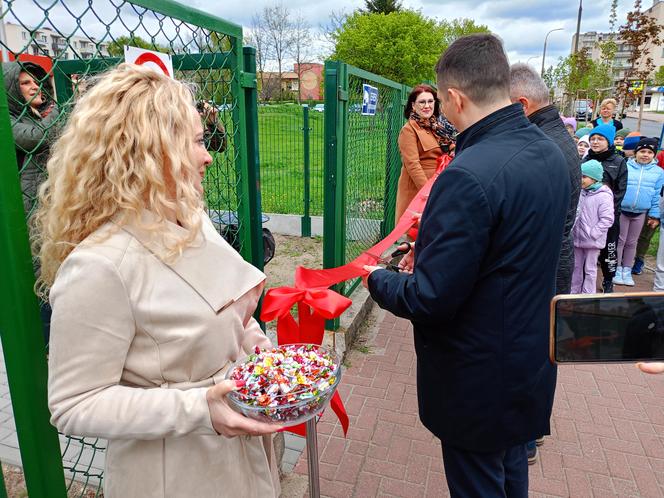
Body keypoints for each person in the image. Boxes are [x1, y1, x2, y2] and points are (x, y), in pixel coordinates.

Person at [33, 64, 281, 498]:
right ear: (147, 152)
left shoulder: (189, 220)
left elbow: (230, 311)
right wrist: (199, 407)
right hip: (175, 472)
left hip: (238, 452)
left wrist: (260, 352)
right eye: (197, 142)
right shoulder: (100, 265)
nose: (207, 156)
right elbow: (74, 405)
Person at [363, 34, 569, 497]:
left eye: (440, 101)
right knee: (512, 472)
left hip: (478, 377)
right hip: (528, 360)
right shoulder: (549, 153)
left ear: (454, 97)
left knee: (478, 482)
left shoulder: (467, 174)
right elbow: (510, 249)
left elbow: (431, 298)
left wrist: (380, 279)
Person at [508, 63, 581, 463]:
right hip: (554, 260)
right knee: (539, 349)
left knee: (536, 351)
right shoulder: (553, 134)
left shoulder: (543, 144)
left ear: (521, 103)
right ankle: (530, 429)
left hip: (547, 266)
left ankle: (528, 433)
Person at [3, 60, 59, 214]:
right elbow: (35, 138)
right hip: (30, 204)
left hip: (51, 196)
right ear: (10, 89)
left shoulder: (39, 116)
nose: (36, 87)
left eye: (37, 81)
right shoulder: (5, 119)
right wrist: (59, 107)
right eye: (26, 83)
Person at [395, 84, 455, 220]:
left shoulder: (437, 127)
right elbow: (412, 165)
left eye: (430, 101)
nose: (427, 106)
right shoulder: (409, 130)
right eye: (422, 102)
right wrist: (429, 192)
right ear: (413, 105)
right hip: (419, 190)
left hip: (438, 184)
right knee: (415, 233)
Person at [614, 138, 663, 286]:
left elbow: (657, 195)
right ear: (636, 153)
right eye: (642, 151)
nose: (645, 155)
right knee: (620, 240)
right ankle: (617, 268)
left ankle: (627, 270)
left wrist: (654, 214)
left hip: (640, 213)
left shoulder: (659, 172)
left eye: (649, 152)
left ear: (654, 155)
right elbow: (619, 187)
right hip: (623, 210)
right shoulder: (626, 166)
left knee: (632, 242)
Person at [584, 124, 627, 293]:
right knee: (586, 249)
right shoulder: (586, 160)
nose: (595, 142)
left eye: (600, 139)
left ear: (608, 142)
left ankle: (608, 279)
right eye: (592, 139)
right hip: (587, 215)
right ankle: (584, 279)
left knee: (609, 250)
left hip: (609, 217)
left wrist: (608, 212)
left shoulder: (619, 162)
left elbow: (620, 190)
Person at [571, 160, 615, 294]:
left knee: (590, 269)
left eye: (584, 176)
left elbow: (607, 219)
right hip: (577, 237)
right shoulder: (580, 192)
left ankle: (588, 294)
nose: (580, 179)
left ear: (594, 178)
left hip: (592, 240)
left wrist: (593, 233)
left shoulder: (604, 196)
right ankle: (574, 291)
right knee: (576, 267)